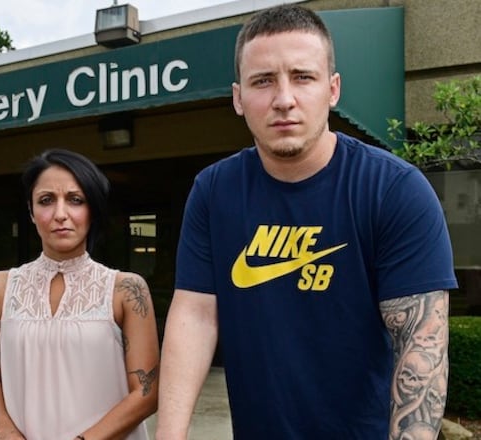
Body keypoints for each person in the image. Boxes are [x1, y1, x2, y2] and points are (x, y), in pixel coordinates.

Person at [155, 4, 455, 440]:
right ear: (238, 98)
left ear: (332, 89)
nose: (283, 99)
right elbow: (196, 316)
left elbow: (421, 347)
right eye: (263, 81)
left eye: (302, 77)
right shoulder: (214, 191)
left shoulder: (393, 190)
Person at [0, 148, 160, 440]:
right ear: (31, 211)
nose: (60, 214)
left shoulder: (126, 290)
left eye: (75, 200)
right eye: (46, 200)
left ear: (92, 210)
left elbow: (147, 393)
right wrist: (6, 430)